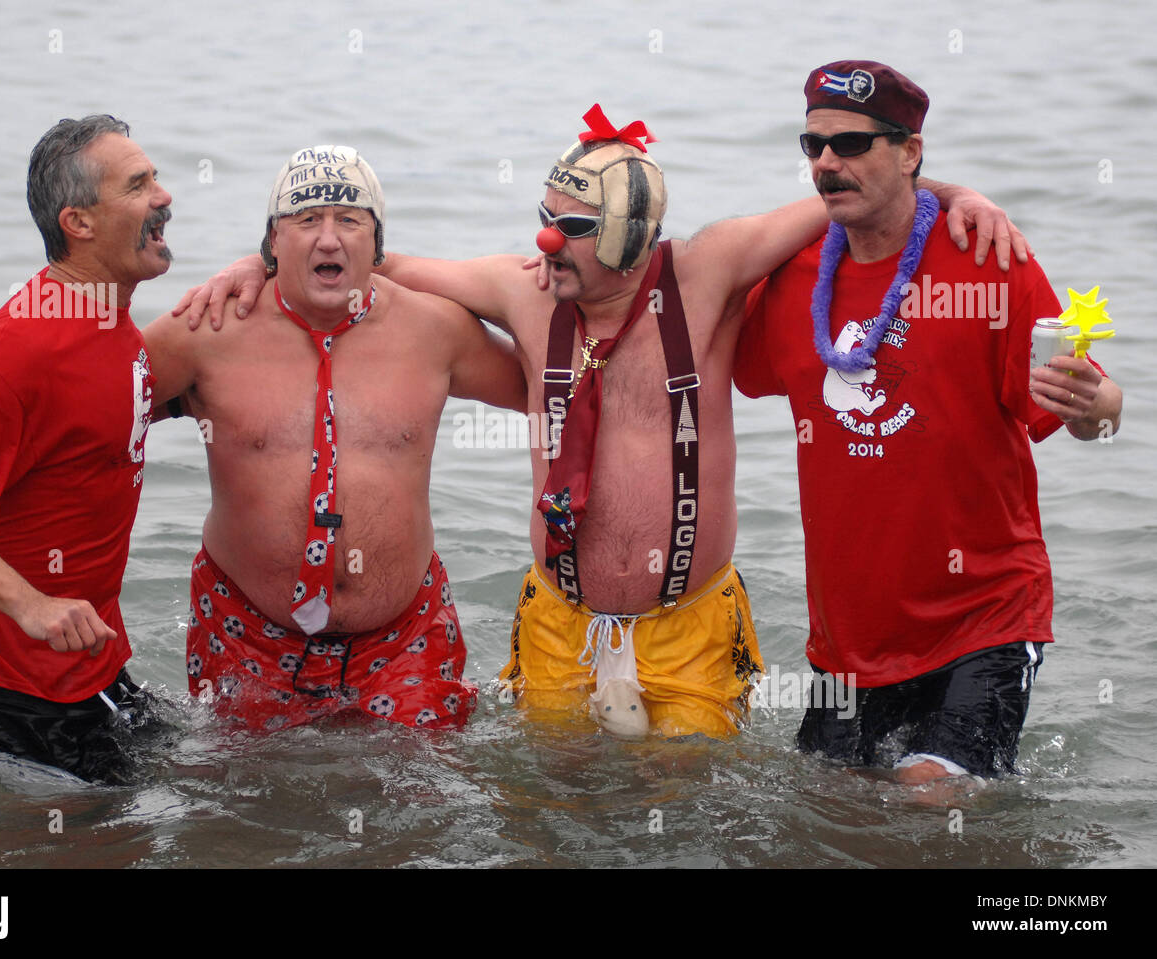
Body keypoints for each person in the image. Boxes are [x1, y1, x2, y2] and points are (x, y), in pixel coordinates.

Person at [176, 106, 1020, 740]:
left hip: (688, 624)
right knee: (548, 806)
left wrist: (957, 192)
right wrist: (259, 259)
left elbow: (853, 197)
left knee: (690, 801)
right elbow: (365, 257)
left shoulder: (708, 272)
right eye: (544, 219)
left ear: (629, 235)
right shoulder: (522, 291)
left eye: (573, 228)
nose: (547, 242)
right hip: (558, 622)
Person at [732, 61, 1123, 780]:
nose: (827, 162)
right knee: (826, 816)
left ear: (910, 150)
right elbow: (702, 344)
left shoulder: (989, 259)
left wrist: (1099, 409)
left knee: (929, 794)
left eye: (852, 144)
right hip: (849, 639)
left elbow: (1086, 411)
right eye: (814, 144)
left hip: (983, 615)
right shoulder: (793, 275)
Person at [143, 145, 525, 730]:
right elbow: (88, 418)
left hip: (403, 640)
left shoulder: (436, 330)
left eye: (349, 220)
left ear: (377, 243)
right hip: (245, 634)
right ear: (273, 239)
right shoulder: (205, 330)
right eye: (306, 220)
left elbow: (554, 390)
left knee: (428, 783)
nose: (329, 239)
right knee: (235, 786)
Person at [0, 115, 174, 783]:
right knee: (87, 828)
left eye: (156, 178)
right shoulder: (19, 347)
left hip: (87, 659)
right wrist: (30, 605)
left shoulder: (111, 319)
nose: (163, 196)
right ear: (79, 223)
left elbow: (89, 431)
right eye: (138, 186)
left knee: (188, 789)